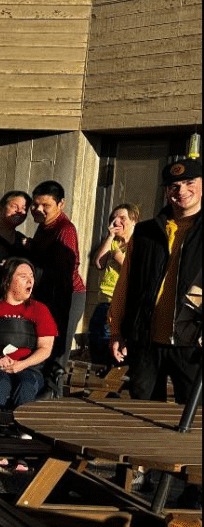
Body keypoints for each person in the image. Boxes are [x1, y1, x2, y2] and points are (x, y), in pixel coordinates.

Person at [109, 158, 201, 510]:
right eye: (174, 186)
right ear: (166, 190)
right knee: (144, 412)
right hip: (147, 338)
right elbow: (125, 285)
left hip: (192, 341)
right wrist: (117, 328)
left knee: (195, 418)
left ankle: (195, 483)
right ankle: (144, 474)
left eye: (190, 183)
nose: (181, 191)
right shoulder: (147, 231)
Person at [0, 257, 57, 446]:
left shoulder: (38, 310)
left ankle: (24, 444)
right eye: (23, 276)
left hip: (27, 367)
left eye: (32, 277)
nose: (30, 281)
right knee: (1, 383)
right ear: (8, 280)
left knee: (26, 384)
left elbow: (46, 348)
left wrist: (22, 364)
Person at [29, 180, 87, 394]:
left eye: (46, 205)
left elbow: (62, 274)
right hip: (47, 296)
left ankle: (53, 399)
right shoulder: (44, 227)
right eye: (35, 205)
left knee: (57, 351)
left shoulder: (65, 230)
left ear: (61, 204)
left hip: (66, 296)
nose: (38, 210)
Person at [88, 204, 139, 365]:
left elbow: (135, 272)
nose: (117, 222)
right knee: (96, 340)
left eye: (122, 218)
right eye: (113, 218)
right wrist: (110, 236)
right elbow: (98, 263)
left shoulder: (138, 244)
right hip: (104, 300)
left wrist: (118, 257)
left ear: (134, 221)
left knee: (112, 346)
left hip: (121, 304)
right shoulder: (113, 243)